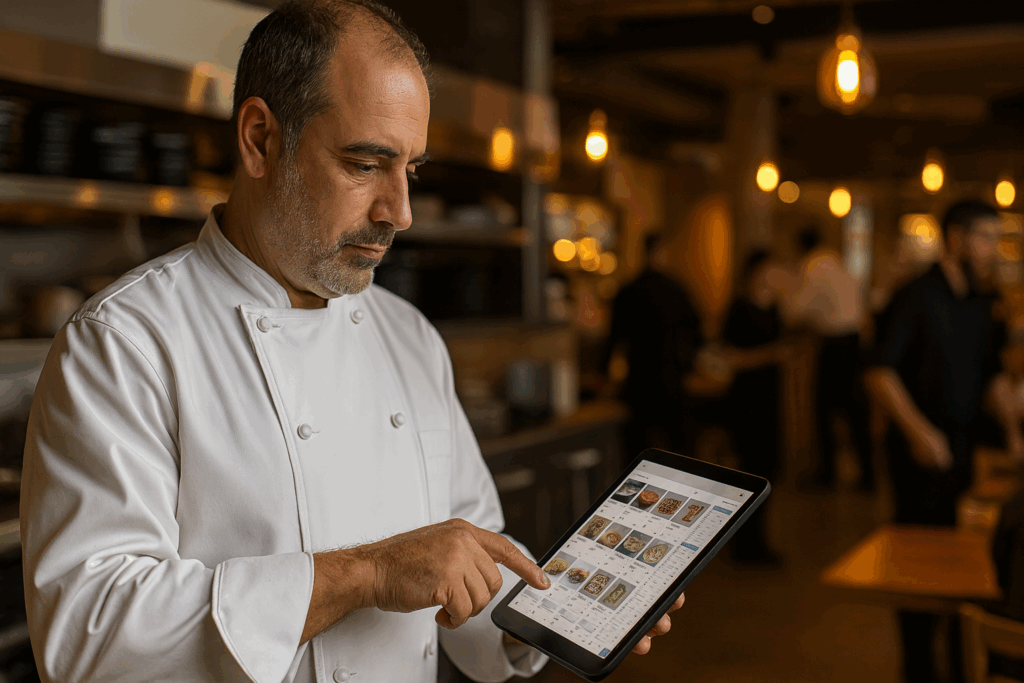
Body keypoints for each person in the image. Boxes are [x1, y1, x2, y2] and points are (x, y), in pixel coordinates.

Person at [19, 3, 683, 682]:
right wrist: (369, 573)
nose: (400, 211)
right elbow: (89, 637)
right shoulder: (124, 342)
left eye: (410, 170)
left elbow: (472, 566)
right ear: (259, 139)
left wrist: (561, 612)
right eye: (365, 164)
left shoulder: (408, 335)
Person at [865, 199, 1024, 683]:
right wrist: (919, 431)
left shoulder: (980, 302)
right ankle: (917, 669)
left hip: (965, 453)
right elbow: (879, 373)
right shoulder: (914, 295)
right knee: (918, 572)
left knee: (967, 567)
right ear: (956, 238)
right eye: (985, 238)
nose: (993, 249)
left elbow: (991, 377)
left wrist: (1014, 433)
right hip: (920, 456)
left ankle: (961, 663)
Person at [604, 231, 704, 460]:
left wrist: (604, 375)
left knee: (636, 452)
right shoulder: (676, 291)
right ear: (660, 252)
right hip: (671, 379)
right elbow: (697, 333)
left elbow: (614, 339)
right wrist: (688, 364)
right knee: (680, 451)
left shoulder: (629, 291)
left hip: (638, 381)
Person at [788, 225, 874, 492]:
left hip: (835, 343)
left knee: (825, 409)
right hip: (855, 341)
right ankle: (868, 473)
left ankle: (827, 473)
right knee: (855, 408)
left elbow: (796, 310)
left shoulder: (812, 266)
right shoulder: (837, 261)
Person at [721, 249, 786, 567]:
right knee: (749, 471)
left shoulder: (774, 306)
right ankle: (744, 545)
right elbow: (730, 358)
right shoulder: (738, 309)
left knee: (768, 471)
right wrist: (770, 355)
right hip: (747, 401)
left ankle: (760, 542)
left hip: (770, 399)